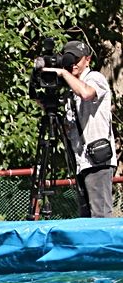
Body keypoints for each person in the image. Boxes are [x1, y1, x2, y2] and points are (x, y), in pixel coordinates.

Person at [46, 40, 116, 218]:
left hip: (97, 161)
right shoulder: (70, 89)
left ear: (88, 60)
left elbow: (86, 93)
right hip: (81, 161)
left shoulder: (94, 78)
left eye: (77, 59)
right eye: (69, 60)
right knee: (86, 217)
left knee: (100, 216)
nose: (73, 64)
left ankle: (106, 246)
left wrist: (63, 73)